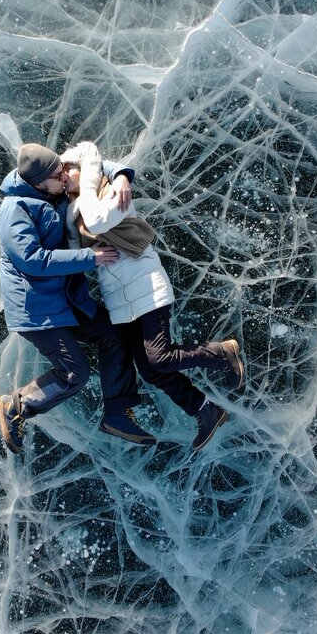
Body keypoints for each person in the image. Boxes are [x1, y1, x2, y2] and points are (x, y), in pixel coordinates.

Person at [60, 141, 244, 451]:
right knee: (151, 369)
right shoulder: (77, 208)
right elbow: (76, 250)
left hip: (145, 286)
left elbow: (97, 221)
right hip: (120, 299)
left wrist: (110, 174)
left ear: (86, 170)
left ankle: (222, 353)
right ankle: (205, 411)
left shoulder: (111, 194)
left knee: (160, 357)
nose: (64, 176)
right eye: (60, 173)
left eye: (69, 169)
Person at [0, 142, 157, 454]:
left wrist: (121, 176)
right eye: (58, 174)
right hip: (37, 310)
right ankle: (19, 405)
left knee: (114, 333)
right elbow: (33, 260)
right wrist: (90, 257)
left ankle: (118, 414)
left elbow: (89, 158)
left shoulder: (50, 189)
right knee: (73, 373)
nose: (66, 176)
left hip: (66, 300)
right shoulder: (14, 210)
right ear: (40, 183)